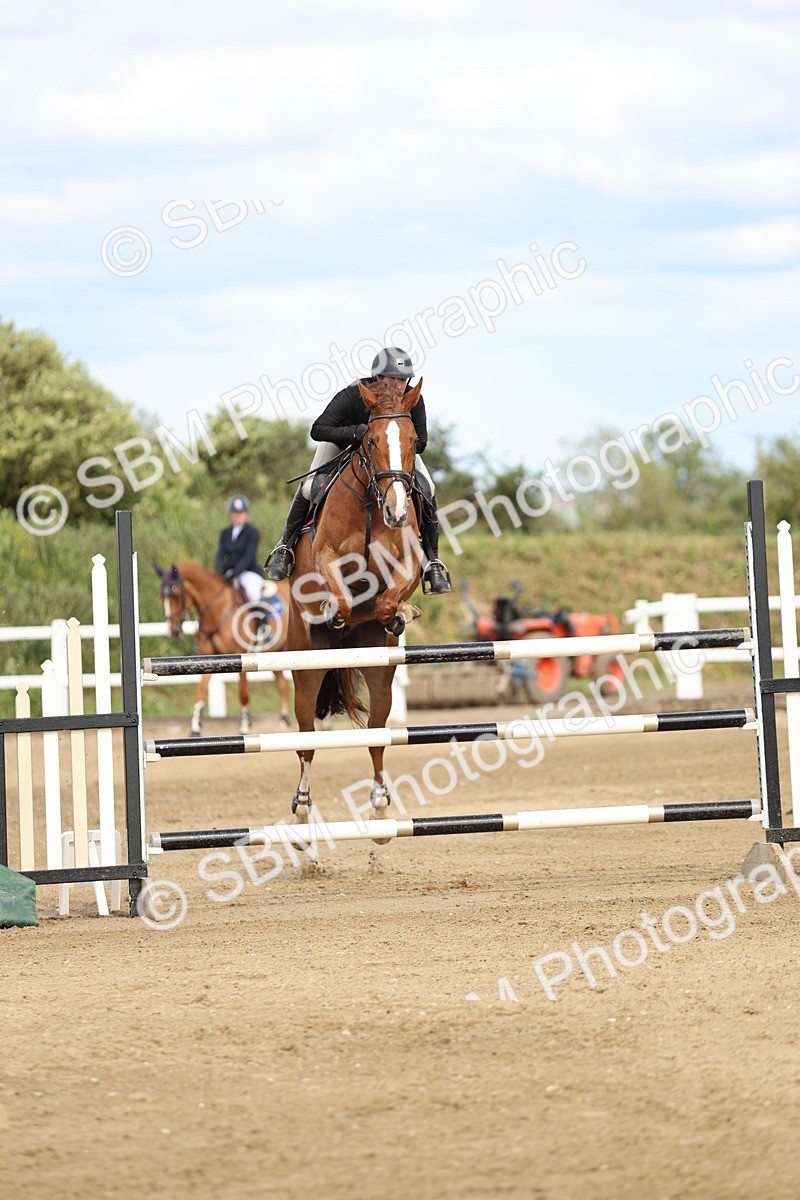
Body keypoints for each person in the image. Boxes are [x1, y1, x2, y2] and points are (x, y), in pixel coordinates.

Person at [264, 346, 451, 594]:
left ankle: (433, 563)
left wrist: (388, 449)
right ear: (378, 377)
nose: (399, 386)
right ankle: (285, 548)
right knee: (310, 487)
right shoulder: (353, 394)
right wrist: (356, 433)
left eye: (403, 380)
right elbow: (318, 429)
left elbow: (422, 442)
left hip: (390, 454)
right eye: (393, 379)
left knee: (428, 487)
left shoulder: (412, 399)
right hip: (343, 444)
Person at [216, 496, 278, 635]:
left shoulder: (252, 533)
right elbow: (220, 555)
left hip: (247, 572)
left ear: (246, 514)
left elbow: (248, 556)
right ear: (231, 514)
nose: (238, 515)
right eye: (235, 513)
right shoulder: (225, 533)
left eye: (241, 512)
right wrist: (219, 572)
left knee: (253, 592)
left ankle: (263, 625)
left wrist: (235, 573)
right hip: (228, 572)